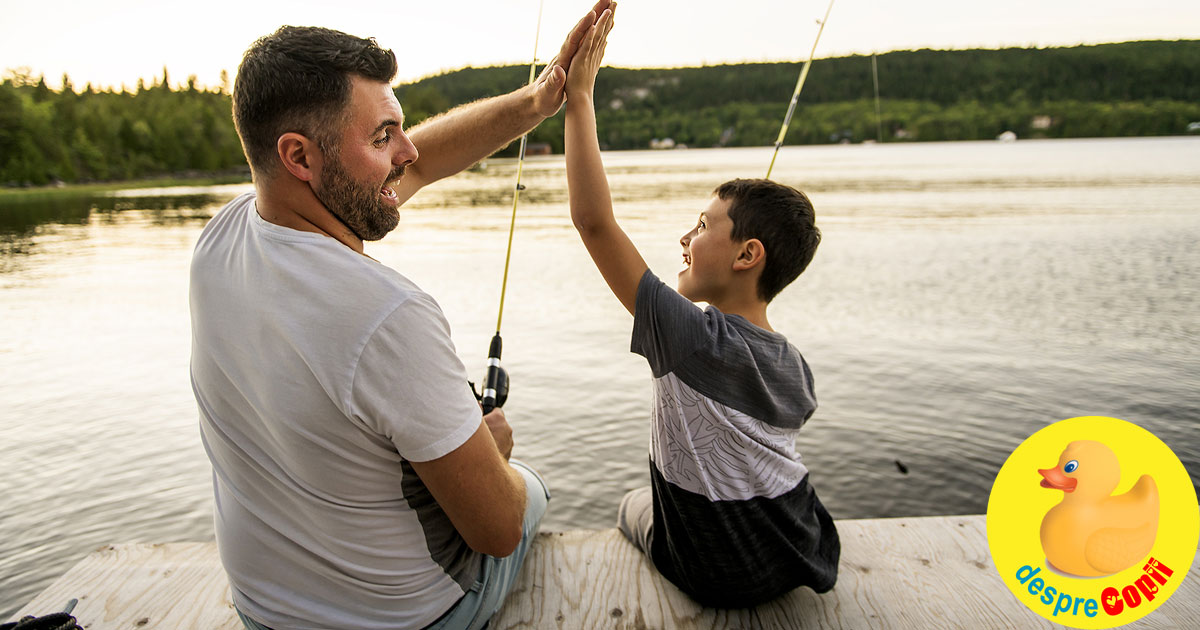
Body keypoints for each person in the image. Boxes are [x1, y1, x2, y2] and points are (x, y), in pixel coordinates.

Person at [189, 4, 612, 629]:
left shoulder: (220, 241)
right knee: (525, 484)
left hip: (262, 612)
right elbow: (496, 531)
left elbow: (424, 160)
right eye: (383, 135)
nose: (409, 150)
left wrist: (536, 101)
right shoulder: (389, 314)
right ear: (300, 157)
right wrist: (491, 458)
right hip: (406, 620)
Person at [562, 7, 841, 608]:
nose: (684, 241)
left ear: (747, 255)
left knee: (629, 506)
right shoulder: (795, 364)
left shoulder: (690, 337)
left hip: (720, 574)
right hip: (804, 548)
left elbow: (593, 222)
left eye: (700, 226)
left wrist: (580, 98)